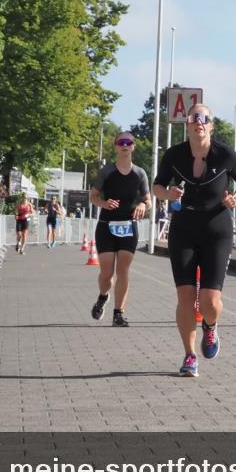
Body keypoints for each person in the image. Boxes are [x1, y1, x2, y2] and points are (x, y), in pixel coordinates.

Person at [152, 104, 236, 377]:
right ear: (188, 125)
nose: (199, 123)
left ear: (211, 125)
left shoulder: (225, 154)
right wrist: (167, 194)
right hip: (183, 228)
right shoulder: (174, 155)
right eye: (194, 118)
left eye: (204, 119)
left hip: (216, 229)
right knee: (185, 298)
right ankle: (189, 356)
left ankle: (210, 326)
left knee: (210, 302)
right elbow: (156, 186)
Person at [89, 131, 151, 327]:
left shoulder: (140, 173)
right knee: (107, 274)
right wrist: (104, 203)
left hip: (128, 226)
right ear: (116, 146)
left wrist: (142, 205)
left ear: (133, 146)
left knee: (123, 271)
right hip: (107, 226)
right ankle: (102, 296)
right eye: (120, 142)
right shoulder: (107, 171)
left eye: (128, 142)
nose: (125, 145)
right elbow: (93, 196)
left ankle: (118, 313)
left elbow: (148, 200)